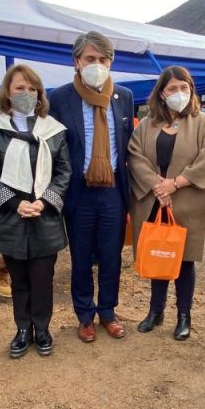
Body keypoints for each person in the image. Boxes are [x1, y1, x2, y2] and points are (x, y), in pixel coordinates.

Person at [0, 65, 71, 358]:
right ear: (7, 91)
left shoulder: (53, 130)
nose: (27, 94)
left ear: (40, 94)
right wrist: (14, 202)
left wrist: (45, 201)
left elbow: (64, 171)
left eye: (32, 89)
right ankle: (22, 329)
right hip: (11, 215)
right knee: (18, 279)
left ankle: (42, 329)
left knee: (43, 278)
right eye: (20, 88)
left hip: (45, 216)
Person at [48, 31, 135, 343]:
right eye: (90, 59)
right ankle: (85, 315)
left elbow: (128, 145)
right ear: (77, 62)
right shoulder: (60, 98)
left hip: (113, 190)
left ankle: (108, 313)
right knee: (82, 257)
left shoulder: (123, 97)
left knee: (112, 256)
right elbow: (54, 149)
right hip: (78, 191)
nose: (97, 64)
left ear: (110, 62)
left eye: (103, 59)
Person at [128, 66, 205, 340]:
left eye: (184, 87)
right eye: (172, 88)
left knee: (184, 261)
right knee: (158, 254)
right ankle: (155, 311)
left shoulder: (204, 122)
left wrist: (176, 183)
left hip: (187, 201)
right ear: (161, 93)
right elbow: (135, 156)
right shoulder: (147, 124)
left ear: (191, 90)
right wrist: (159, 185)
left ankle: (184, 315)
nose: (179, 93)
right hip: (154, 200)